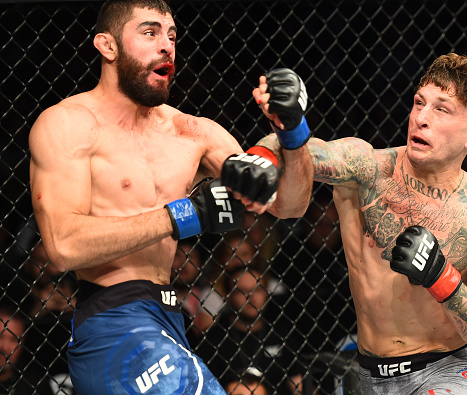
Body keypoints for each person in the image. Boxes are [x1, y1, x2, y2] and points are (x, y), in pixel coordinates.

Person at [28, 0, 312, 393]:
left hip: (170, 320)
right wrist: (182, 214)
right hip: (113, 322)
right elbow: (61, 245)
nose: (167, 46)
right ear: (107, 46)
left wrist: (294, 134)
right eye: (150, 33)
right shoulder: (68, 124)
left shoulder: (192, 133)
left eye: (172, 35)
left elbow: (288, 205)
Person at [254, 53, 467, 393]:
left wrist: (442, 279)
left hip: (446, 372)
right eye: (419, 102)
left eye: (442, 109)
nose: (421, 118)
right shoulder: (366, 169)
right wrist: (286, 130)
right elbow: (297, 168)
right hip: (369, 373)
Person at [195, 259, 305, 393]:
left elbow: (299, 385)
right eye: (242, 291)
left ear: (266, 293)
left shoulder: (282, 333)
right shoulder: (212, 341)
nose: (251, 297)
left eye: (257, 289)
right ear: (228, 296)